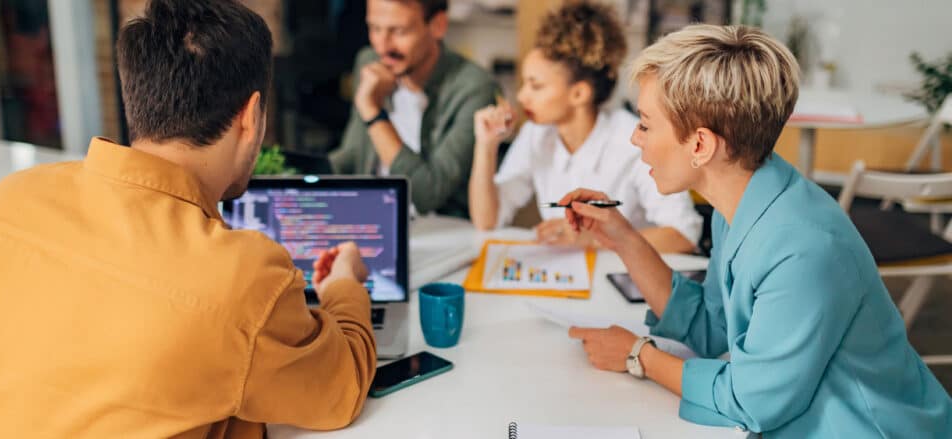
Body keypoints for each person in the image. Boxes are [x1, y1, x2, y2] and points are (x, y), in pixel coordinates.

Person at [0, 1, 377, 437]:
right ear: (251, 116)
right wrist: (343, 287)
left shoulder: (1, 203)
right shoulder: (240, 279)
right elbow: (340, 389)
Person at [561, 24, 952, 437]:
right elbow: (711, 330)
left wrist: (638, 355)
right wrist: (622, 236)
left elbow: (753, 401)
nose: (634, 138)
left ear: (700, 146)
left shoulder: (803, 247)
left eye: (644, 124)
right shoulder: (739, 201)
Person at [469, 1, 700, 253]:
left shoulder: (633, 142)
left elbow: (683, 236)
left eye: (536, 86)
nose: (522, 96)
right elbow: (487, 220)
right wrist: (486, 144)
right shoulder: (536, 135)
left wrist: (594, 239)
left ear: (579, 94)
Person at [329, 0, 500, 218]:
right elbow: (353, 155)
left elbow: (426, 194)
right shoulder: (369, 61)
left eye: (399, 31)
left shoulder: (474, 87)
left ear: (438, 25)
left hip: (442, 228)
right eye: (374, 28)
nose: (382, 46)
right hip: (373, 219)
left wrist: (373, 113)